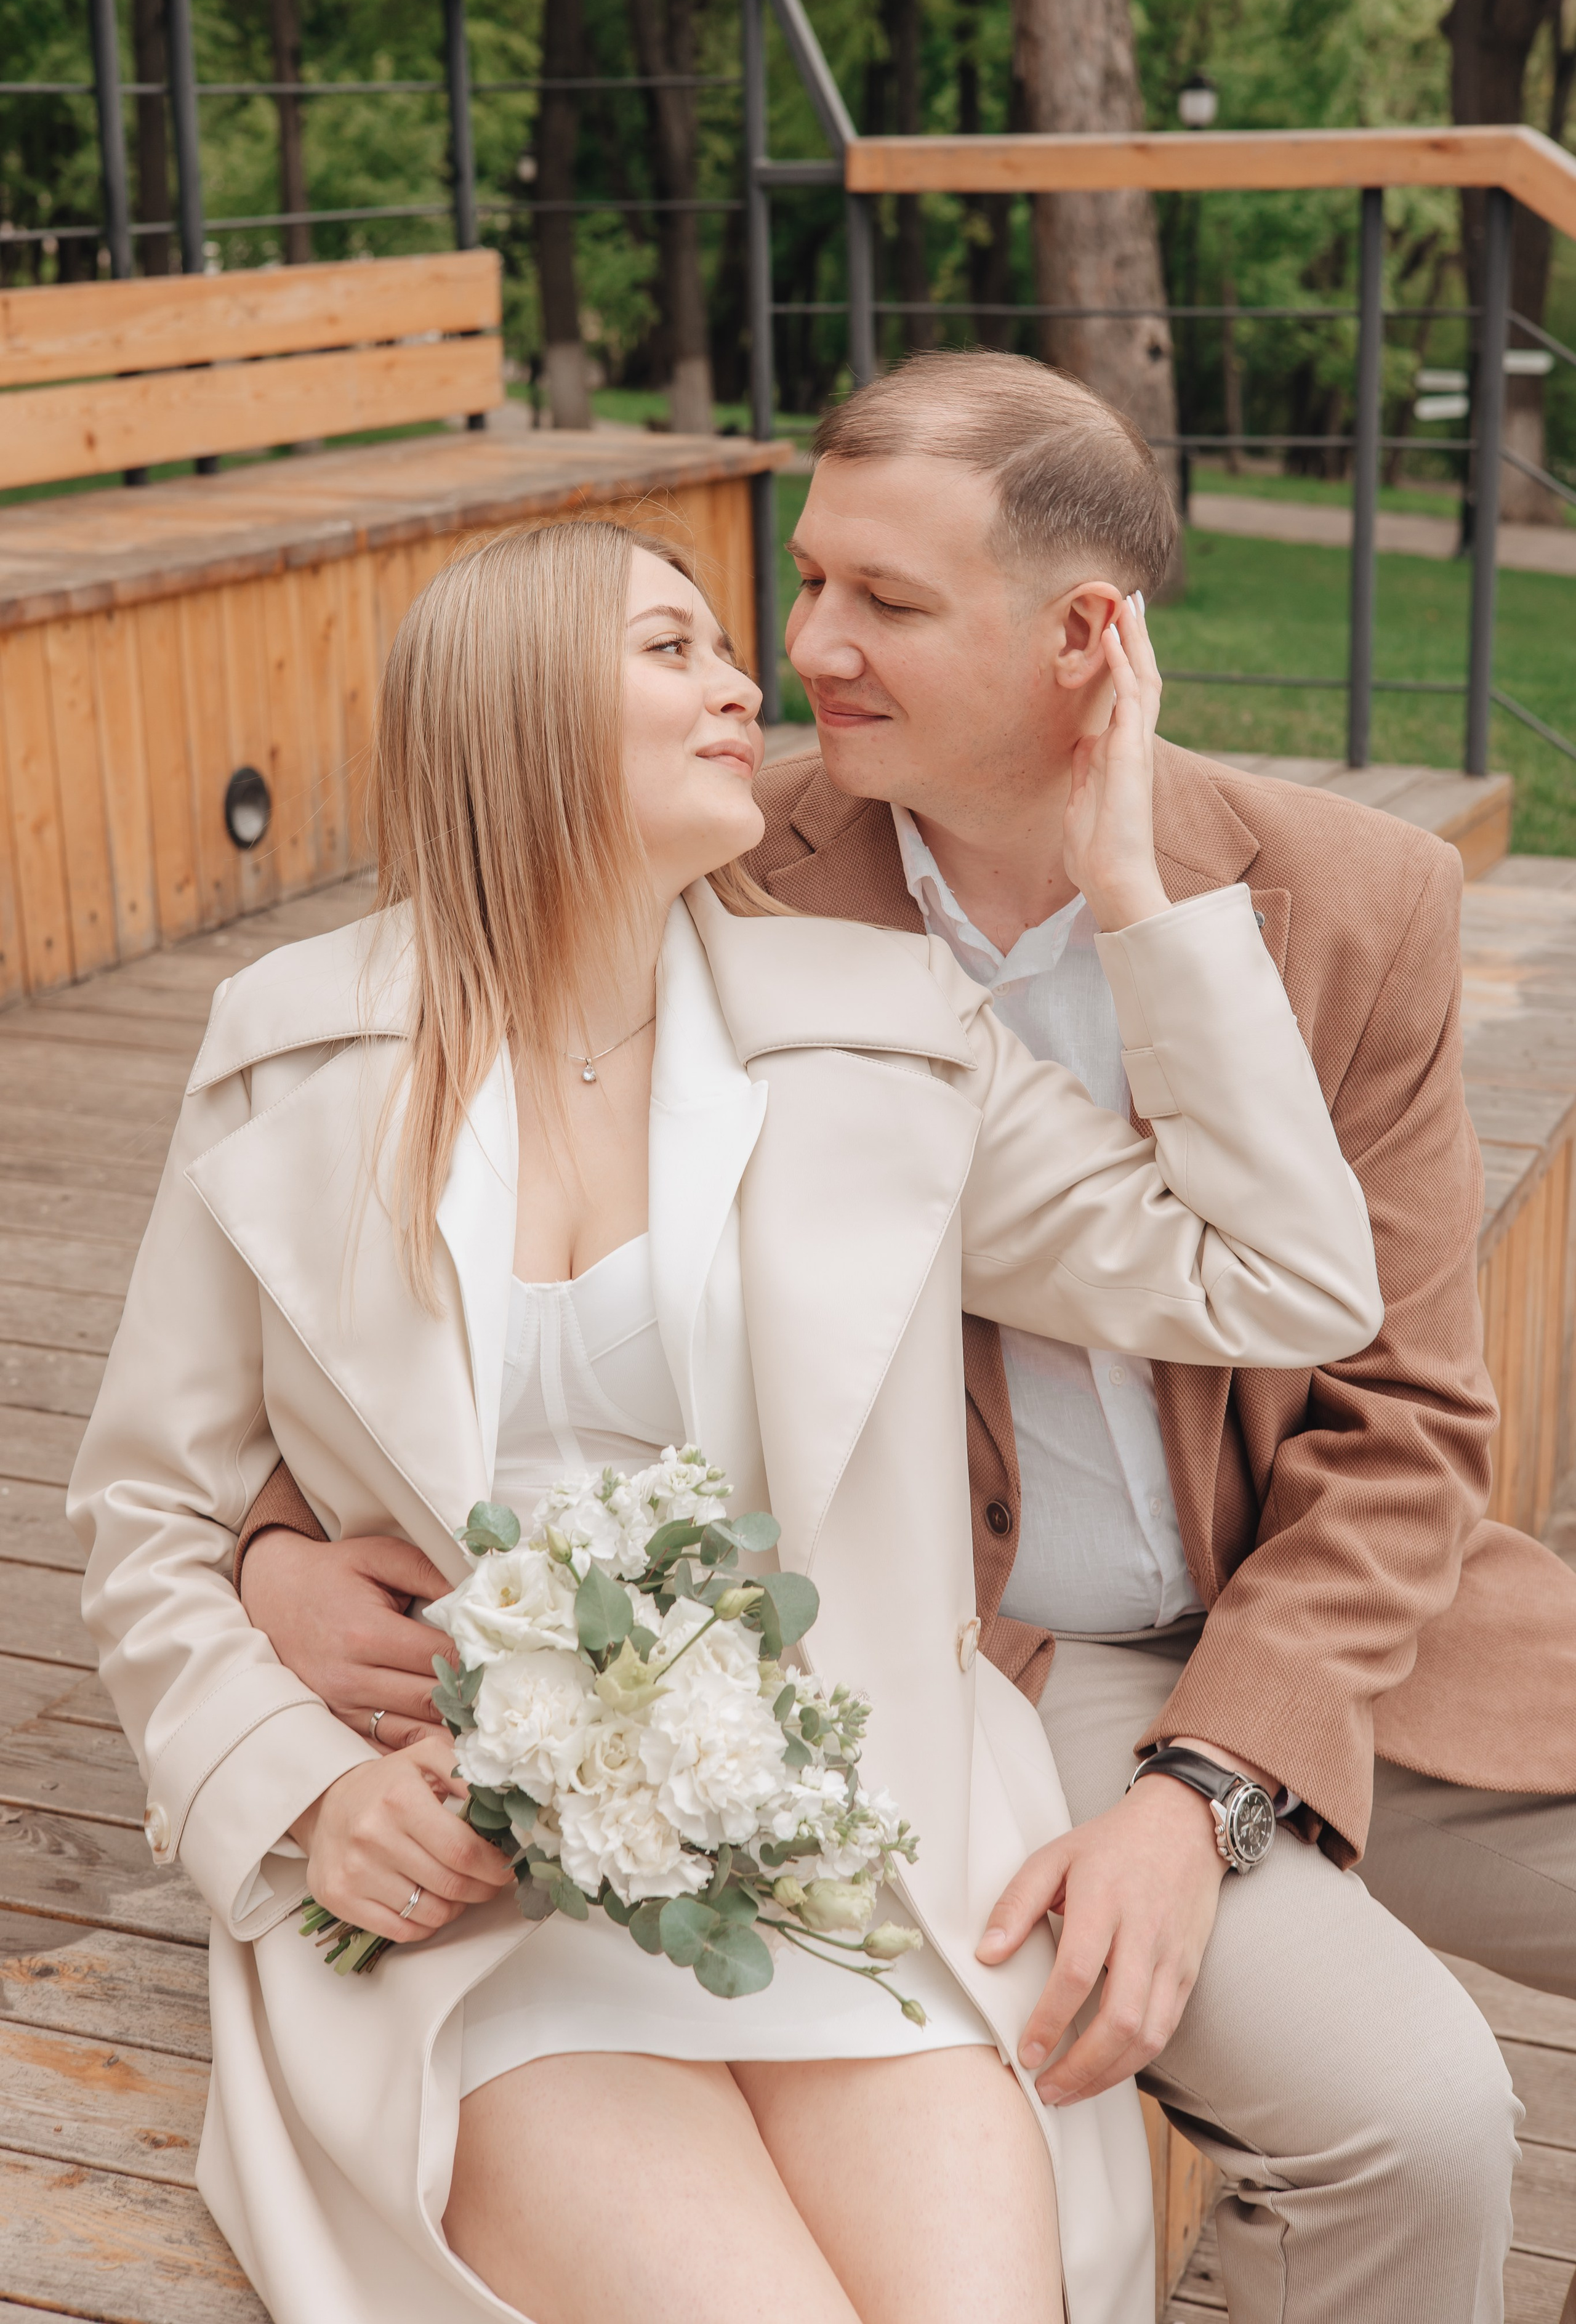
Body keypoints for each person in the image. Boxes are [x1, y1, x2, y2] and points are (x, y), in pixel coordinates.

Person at [238, 355, 1576, 2324]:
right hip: (980, 1668)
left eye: (884, 600)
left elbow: (1402, 1413)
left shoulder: (1352, 898)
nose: (803, 653)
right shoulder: (718, 861)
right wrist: (272, 1553)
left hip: (1339, 1630)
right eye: (806, 582)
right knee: (1420, 2122)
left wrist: (1216, 1777)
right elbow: (454, 1237)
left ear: (1084, 637)